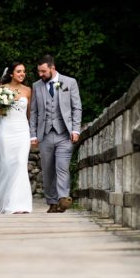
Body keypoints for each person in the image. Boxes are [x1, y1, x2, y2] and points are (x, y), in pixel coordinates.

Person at [29, 54, 82, 213]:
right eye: (39, 71)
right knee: (48, 170)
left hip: (64, 134)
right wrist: (33, 135)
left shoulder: (69, 82)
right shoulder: (37, 86)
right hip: (44, 135)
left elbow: (76, 107)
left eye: (43, 71)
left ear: (53, 68)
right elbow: (33, 112)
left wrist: (76, 129)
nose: (41, 74)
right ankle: (52, 202)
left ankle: (63, 198)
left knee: (62, 167)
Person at [0, 62, 33, 214]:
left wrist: (33, 133)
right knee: (8, 165)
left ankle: (21, 204)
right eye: (19, 71)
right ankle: (8, 202)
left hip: (23, 131)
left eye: (24, 71)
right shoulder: (2, 89)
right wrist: (5, 103)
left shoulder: (28, 90)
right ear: (11, 73)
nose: (22, 74)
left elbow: (29, 114)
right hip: (7, 131)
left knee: (20, 163)